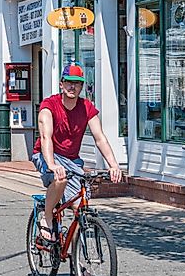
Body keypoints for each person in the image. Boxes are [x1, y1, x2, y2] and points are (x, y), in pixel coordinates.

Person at [32, 62, 122, 247]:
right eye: (69, 82)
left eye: (78, 83)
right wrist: (51, 164)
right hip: (48, 155)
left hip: (72, 160)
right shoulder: (49, 105)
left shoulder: (86, 107)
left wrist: (114, 165)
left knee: (80, 209)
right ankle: (47, 217)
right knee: (60, 179)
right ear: (61, 84)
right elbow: (45, 137)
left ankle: (77, 261)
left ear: (82, 86)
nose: (73, 86)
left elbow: (100, 138)